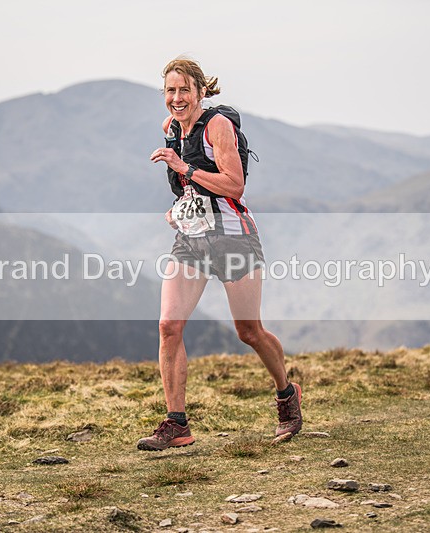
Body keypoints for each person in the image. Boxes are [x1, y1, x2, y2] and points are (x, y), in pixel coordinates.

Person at [137, 57, 302, 451]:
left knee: (249, 331)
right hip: (192, 239)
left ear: (201, 91)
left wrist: (185, 168)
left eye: (184, 90)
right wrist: (180, 209)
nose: (176, 99)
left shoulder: (218, 126)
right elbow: (190, 190)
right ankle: (177, 424)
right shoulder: (171, 129)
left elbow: (234, 185)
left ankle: (286, 396)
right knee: (168, 326)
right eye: (170, 91)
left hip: (233, 238)